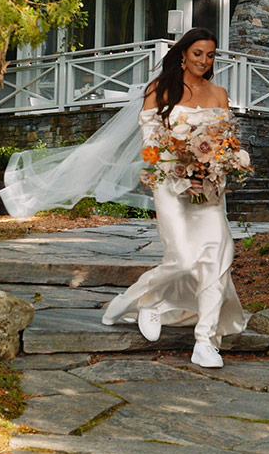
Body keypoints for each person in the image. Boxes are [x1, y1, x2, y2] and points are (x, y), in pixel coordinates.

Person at [100, 28, 248, 368]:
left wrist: (214, 169)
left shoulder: (219, 93)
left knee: (217, 256)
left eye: (210, 55)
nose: (204, 61)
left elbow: (227, 144)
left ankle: (205, 341)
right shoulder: (160, 89)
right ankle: (145, 301)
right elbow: (150, 145)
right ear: (182, 54)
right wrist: (183, 168)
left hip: (208, 189)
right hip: (169, 183)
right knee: (181, 258)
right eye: (198, 53)